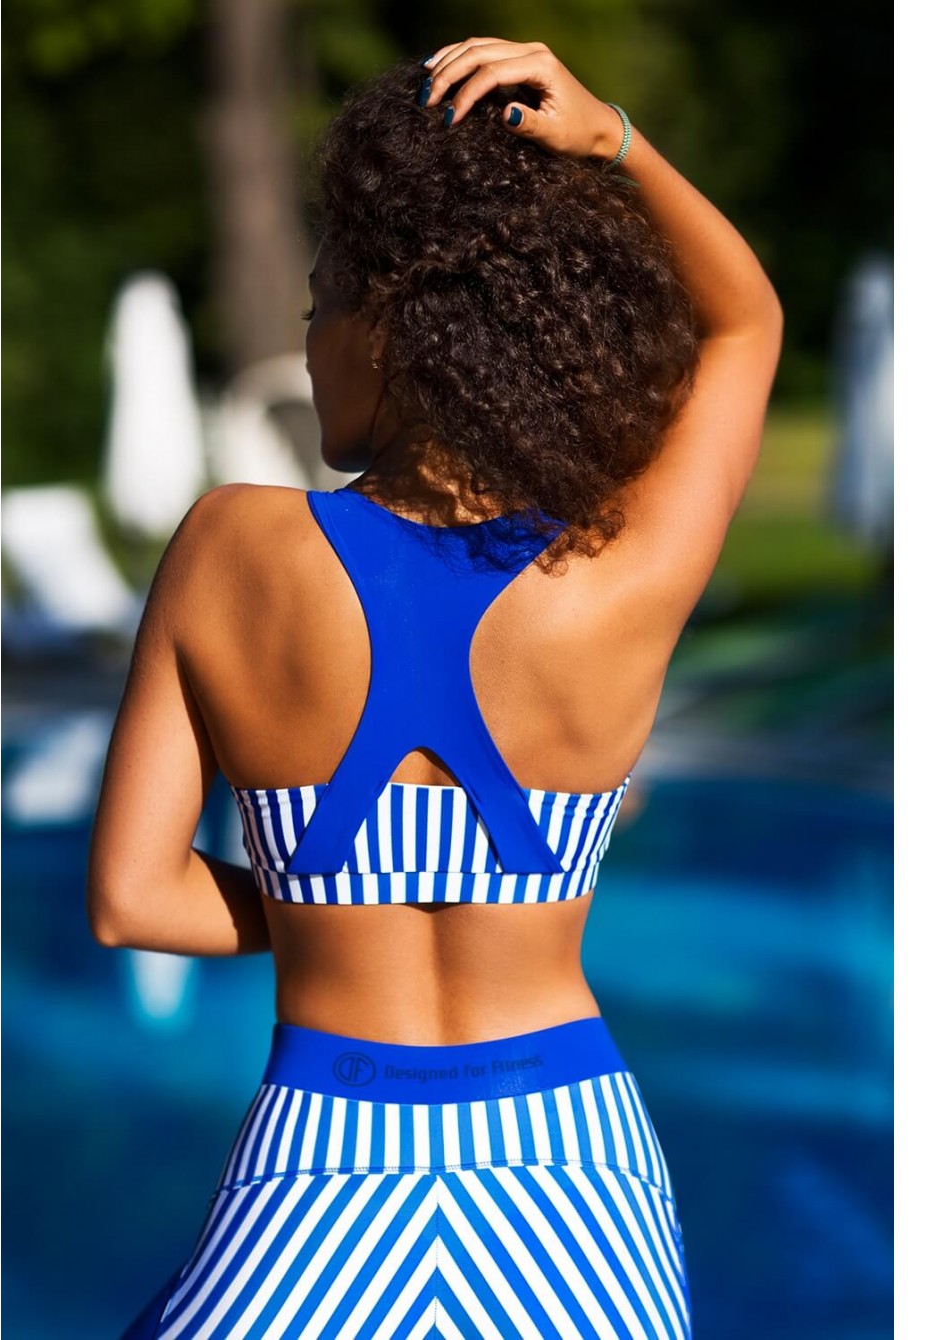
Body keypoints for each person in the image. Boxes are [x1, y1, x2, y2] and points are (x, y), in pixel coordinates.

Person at [89, 36, 782, 1340]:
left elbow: (135, 900)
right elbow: (746, 324)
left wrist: (329, 909)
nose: (307, 345)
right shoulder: (620, 572)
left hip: (319, 1171)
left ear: (391, 323)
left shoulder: (232, 548)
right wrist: (614, 140)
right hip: (573, 1173)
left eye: (319, 306)